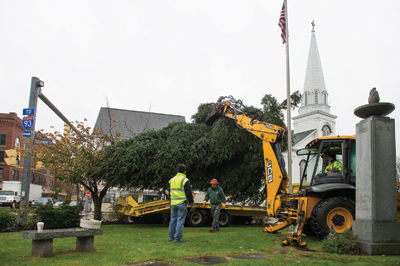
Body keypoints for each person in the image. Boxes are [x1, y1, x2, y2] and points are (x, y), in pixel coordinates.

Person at [168, 164, 194, 243]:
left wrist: (171, 201)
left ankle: (170, 237)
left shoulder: (172, 180)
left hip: (173, 203)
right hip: (182, 203)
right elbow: (188, 193)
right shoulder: (185, 180)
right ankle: (178, 239)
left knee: (173, 220)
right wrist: (191, 202)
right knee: (180, 221)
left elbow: (170, 192)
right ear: (185, 171)